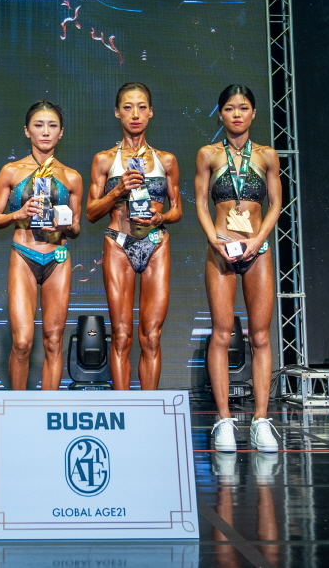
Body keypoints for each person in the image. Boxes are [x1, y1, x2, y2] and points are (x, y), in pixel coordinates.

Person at [195, 85, 280, 453]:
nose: (237, 115)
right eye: (230, 108)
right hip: (221, 251)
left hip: (257, 250)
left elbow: (276, 203)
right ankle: (224, 420)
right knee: (221, 334)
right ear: (221, 114)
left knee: (260, 336)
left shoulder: (267, 155)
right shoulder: (208, 154)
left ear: (253, 113)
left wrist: (258, 239)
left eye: (243, 108)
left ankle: (261, 420)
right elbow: (200, 201)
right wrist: (213, 239)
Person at [86, 82, 182, 391]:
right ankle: (123, 407)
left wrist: (161, 217)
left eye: (142, 107)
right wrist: (117, 190)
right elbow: (91, 212)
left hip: (155, 244)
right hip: (119, 243)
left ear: (151, 112)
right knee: (122, 334)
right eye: (128, 107)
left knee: (151, 335)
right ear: (117, 113)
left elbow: (177, 210)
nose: (135, 114)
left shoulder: (167, 160)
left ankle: (149, 409)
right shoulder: (104, 160)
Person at [0, 101, 84, 391]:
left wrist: (64, 226)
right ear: (27, 131)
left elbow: (77, 227)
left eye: (52, 126)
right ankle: (18, 408)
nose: (45, 132)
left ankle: (47, 409)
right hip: (24, 254)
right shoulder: (11, 171)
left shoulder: (72, 177)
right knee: (22, 341)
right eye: (38, 125)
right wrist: (18, 214)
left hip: (58, 257)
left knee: (54, 340)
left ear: (61, 132)